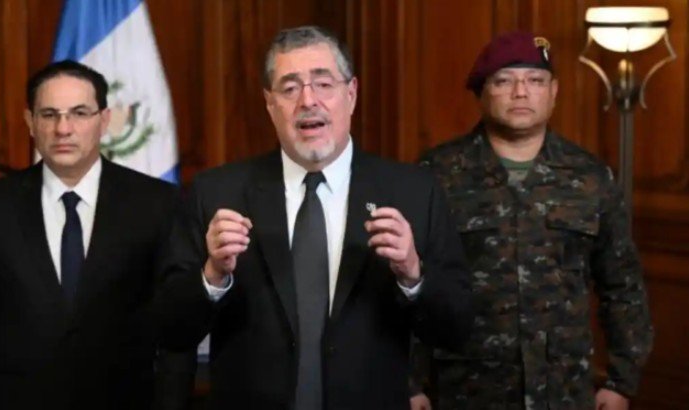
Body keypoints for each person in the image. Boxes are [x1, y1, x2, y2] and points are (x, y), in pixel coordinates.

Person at [154, 25, 472, 409]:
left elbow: (457, 328)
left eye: (323, 84)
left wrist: (413, 275)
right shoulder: (217, 193)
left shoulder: (413, 192)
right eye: (290, 88)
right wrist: (212, 277)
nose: (308, 100)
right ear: (270, 104)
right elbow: (171, 329)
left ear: (351, 94)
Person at [418, 31, 654, 409]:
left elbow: (622, 285)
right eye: (504, 81)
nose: (521, 92)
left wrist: (621, 381)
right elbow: (409, 283)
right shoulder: (436, 174)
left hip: (563, 390)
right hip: (466, 390)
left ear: (554, 91)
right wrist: (410, 383)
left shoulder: (591, 177)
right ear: (481, 92)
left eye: (535, 80)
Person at [0, 60, 193, 409]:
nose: (63, 128)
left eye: (79, 113)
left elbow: (176, 328)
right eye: (49, 114)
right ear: (30, 122)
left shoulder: (157, 203)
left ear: (104, 120)